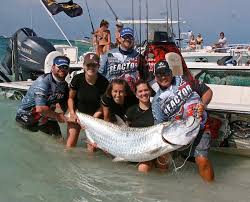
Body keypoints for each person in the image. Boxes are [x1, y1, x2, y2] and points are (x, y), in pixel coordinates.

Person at [151, 60, 214, 182]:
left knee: (202, 160)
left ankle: (211, 190)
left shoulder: (186, 80)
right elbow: (160, 126)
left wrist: (203, 104)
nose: (163, 77)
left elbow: (207, 91)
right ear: (156, 77)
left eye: (166, 73)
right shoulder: (157, 101)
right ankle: (162, 186)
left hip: (200, 126)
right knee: (161, 158)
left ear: (171, 72)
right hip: (178, 134)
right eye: (159, 74)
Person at [15, 55, 70, 137]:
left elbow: (65, 106)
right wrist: (58, 116)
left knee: (59, 139)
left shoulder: (64, 85)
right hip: (27, 115)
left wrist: (70, 118)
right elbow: (40, 109)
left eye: (65, 67)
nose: (62, 69)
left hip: (47, 116)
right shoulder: (43, 82)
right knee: (32, 142)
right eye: (60, 66)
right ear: (53, 67)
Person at [125, 80, 171, 173]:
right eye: (140, 91)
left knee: (163, 160)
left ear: (150, 91)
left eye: (146, 90)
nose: (144, 93)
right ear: (136, 94)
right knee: (143, 167)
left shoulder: (158, 109)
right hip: (140, 149)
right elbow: (125, 132)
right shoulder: (131, 111)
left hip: (158, 148)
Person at [66, 53, 109, 149]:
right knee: (69, 146)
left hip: (95, 117)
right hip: (78, 114)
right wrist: (72, 113)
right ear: (84, 66)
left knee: (91, 150)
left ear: (98, 66)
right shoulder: (77, 79)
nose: (91, 68)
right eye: (88, 65)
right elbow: (70, 98)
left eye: (94, 65)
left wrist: (93, 118)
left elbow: (103, 105)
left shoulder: (104, 82)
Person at [99, 27, 149, 92]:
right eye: (125, 37)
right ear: (120, 39)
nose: (127, 39)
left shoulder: (139, 56)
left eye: (130, 37)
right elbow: (100, 74)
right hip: (113, 93)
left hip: (131, 94)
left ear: (133, 39)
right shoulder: (108, 54)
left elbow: (145, 78)